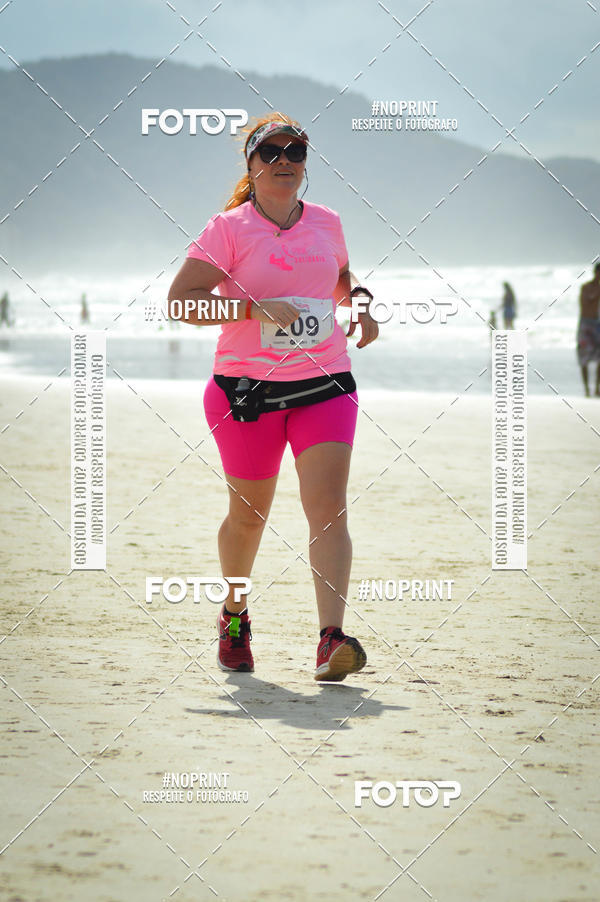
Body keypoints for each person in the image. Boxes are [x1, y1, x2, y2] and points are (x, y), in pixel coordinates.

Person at [167, 113, 378, 681]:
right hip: (246, 394)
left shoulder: (327, 222)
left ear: (306, 163)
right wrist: (250, 307)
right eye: (272, 153)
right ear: (253, 166)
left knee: (328, 510)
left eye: (297, 151)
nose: (285, 160)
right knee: (248, 519)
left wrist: (357, 298)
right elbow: (182, 302)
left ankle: (330, 639)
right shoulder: (228, 229)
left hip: (325, 383)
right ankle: (234, 617)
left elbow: (338, 276)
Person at [576, 262, 600, 397]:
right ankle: (586, 390)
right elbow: (585, 303)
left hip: (597, 324)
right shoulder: (586, 287)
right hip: (585, 324)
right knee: (583, 357)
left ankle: (597, 387)